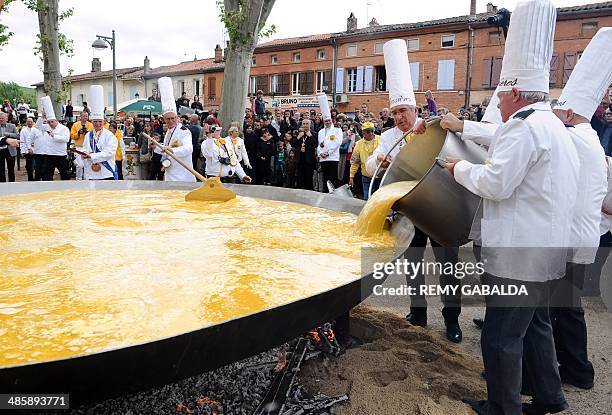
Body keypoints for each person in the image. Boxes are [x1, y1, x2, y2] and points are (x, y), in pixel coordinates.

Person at [452, 2, 576, 413]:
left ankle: (503, 408)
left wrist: (460, 169)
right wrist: (463, 130)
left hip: (519, 255)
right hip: (549, 250)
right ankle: (550, 396)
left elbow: (496, 183)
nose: (498, 104)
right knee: (536, 325)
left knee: (501, 336)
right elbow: (499, 138)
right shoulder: (553, 125)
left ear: (516, 93)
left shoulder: (523, 127)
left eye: (500, 96)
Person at [365, 40, 463, 343]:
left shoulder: (433, 128)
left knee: (449, 266)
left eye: (404, 111)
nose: (399, 118)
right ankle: (417, 313)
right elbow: (369, 165)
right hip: (409, 211)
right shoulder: (389, 137)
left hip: (441, 206)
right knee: (413, 265)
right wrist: (378, 160)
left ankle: (451, 320)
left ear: (416, 109)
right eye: (395, 113)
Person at [547, 27, 612, 392]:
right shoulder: (591, 140)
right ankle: (572, 364)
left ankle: (578, 370)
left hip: (569, 240)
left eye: (558, 111)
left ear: (569, 112)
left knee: (565, 308)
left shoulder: (571, 138)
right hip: (583, 237)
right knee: (565, 307)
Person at [152, 77, 195, 183]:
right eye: (168, 119)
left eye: (173, 118)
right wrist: (156, 147)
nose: (171, 121)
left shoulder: (184, 131)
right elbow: (166, 149)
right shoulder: (168, 131)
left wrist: (172, 150)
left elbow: (188, 149)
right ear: (164, 119)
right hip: (170, 172)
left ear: (177, 118)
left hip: (182, 175)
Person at [81, 85, 119, 180]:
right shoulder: (88, 135)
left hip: (106, 172)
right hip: (91, 172)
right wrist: (84, 153)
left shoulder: (109, 136)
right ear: (91, 122)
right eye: (95, 121)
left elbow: (109, 153)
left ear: (104, 122)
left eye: (100, 121)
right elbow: (85, 149)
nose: (97, 124)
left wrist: (92, 156)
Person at [36, 96, 70, 181]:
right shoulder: (47, 127)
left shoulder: (63, 128)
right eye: (49, 122)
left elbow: (66, 139)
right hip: (49, 155)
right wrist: (42, 117)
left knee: (64, 174)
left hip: (60, 155)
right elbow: (38, 126)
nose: (50, 124)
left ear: (56, 121)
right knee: (46, 174)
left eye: (52, 122)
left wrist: (54, 136)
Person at [317, 94, 342, 192]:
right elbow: (319, 144)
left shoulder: (337, 130)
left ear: (332, 121)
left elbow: (337, 143)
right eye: (326, 120)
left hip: (333, 157)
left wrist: (328, 152)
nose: (327, 122)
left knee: (332, 178)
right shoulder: (321, 132)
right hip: (323, 159)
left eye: (329, 120)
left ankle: (333, 193)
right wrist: (320, 153)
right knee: (325, 178)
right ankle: (325, 192)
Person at [350, 122, 380, 200]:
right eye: (368, 131)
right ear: (363, 132)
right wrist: (351, 176)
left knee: (379, 200)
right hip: (366, 176)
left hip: (380, 176)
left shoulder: (381, 140)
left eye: (372, 130)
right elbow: (354, 162)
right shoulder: (358, 144)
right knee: (367, 199)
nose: (370, 133)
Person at [70, 111, 93, 180]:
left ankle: (87, 179)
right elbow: (72, 136)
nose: (85, 117)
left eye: (86, 116)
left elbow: (93, 135)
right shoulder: (75, 125)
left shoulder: (91, 125)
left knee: (87, 165)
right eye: (83, 116)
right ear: (80, 117)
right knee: (80, 165)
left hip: (87, 147)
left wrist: (87, 133)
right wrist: (79, 133)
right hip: (78, 147)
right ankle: (79, 179)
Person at [19, 116, 41, 181]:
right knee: (29, 167)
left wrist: (33, 148)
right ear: (26, 122)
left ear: (33, 122)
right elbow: (22, 141)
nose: (30, 123)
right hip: (27, 151)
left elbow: (38, 140)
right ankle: (30, 179)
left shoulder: (36, 130)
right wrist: (23, 151)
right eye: (28, 122)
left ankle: (37, 178)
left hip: (35, 150)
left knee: (36, 166)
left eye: (31, 122)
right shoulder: (23, 130)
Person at [0, 112, 19, 182]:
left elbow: (18, 136)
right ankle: (2, 183)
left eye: (2, 118)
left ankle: (12, 183)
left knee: (11, 169)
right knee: (1, 169)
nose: (1, 119)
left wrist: (9, 134)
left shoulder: (12, 126)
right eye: (0, 118)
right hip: (1, 149)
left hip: (10, 149)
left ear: (6, 119)